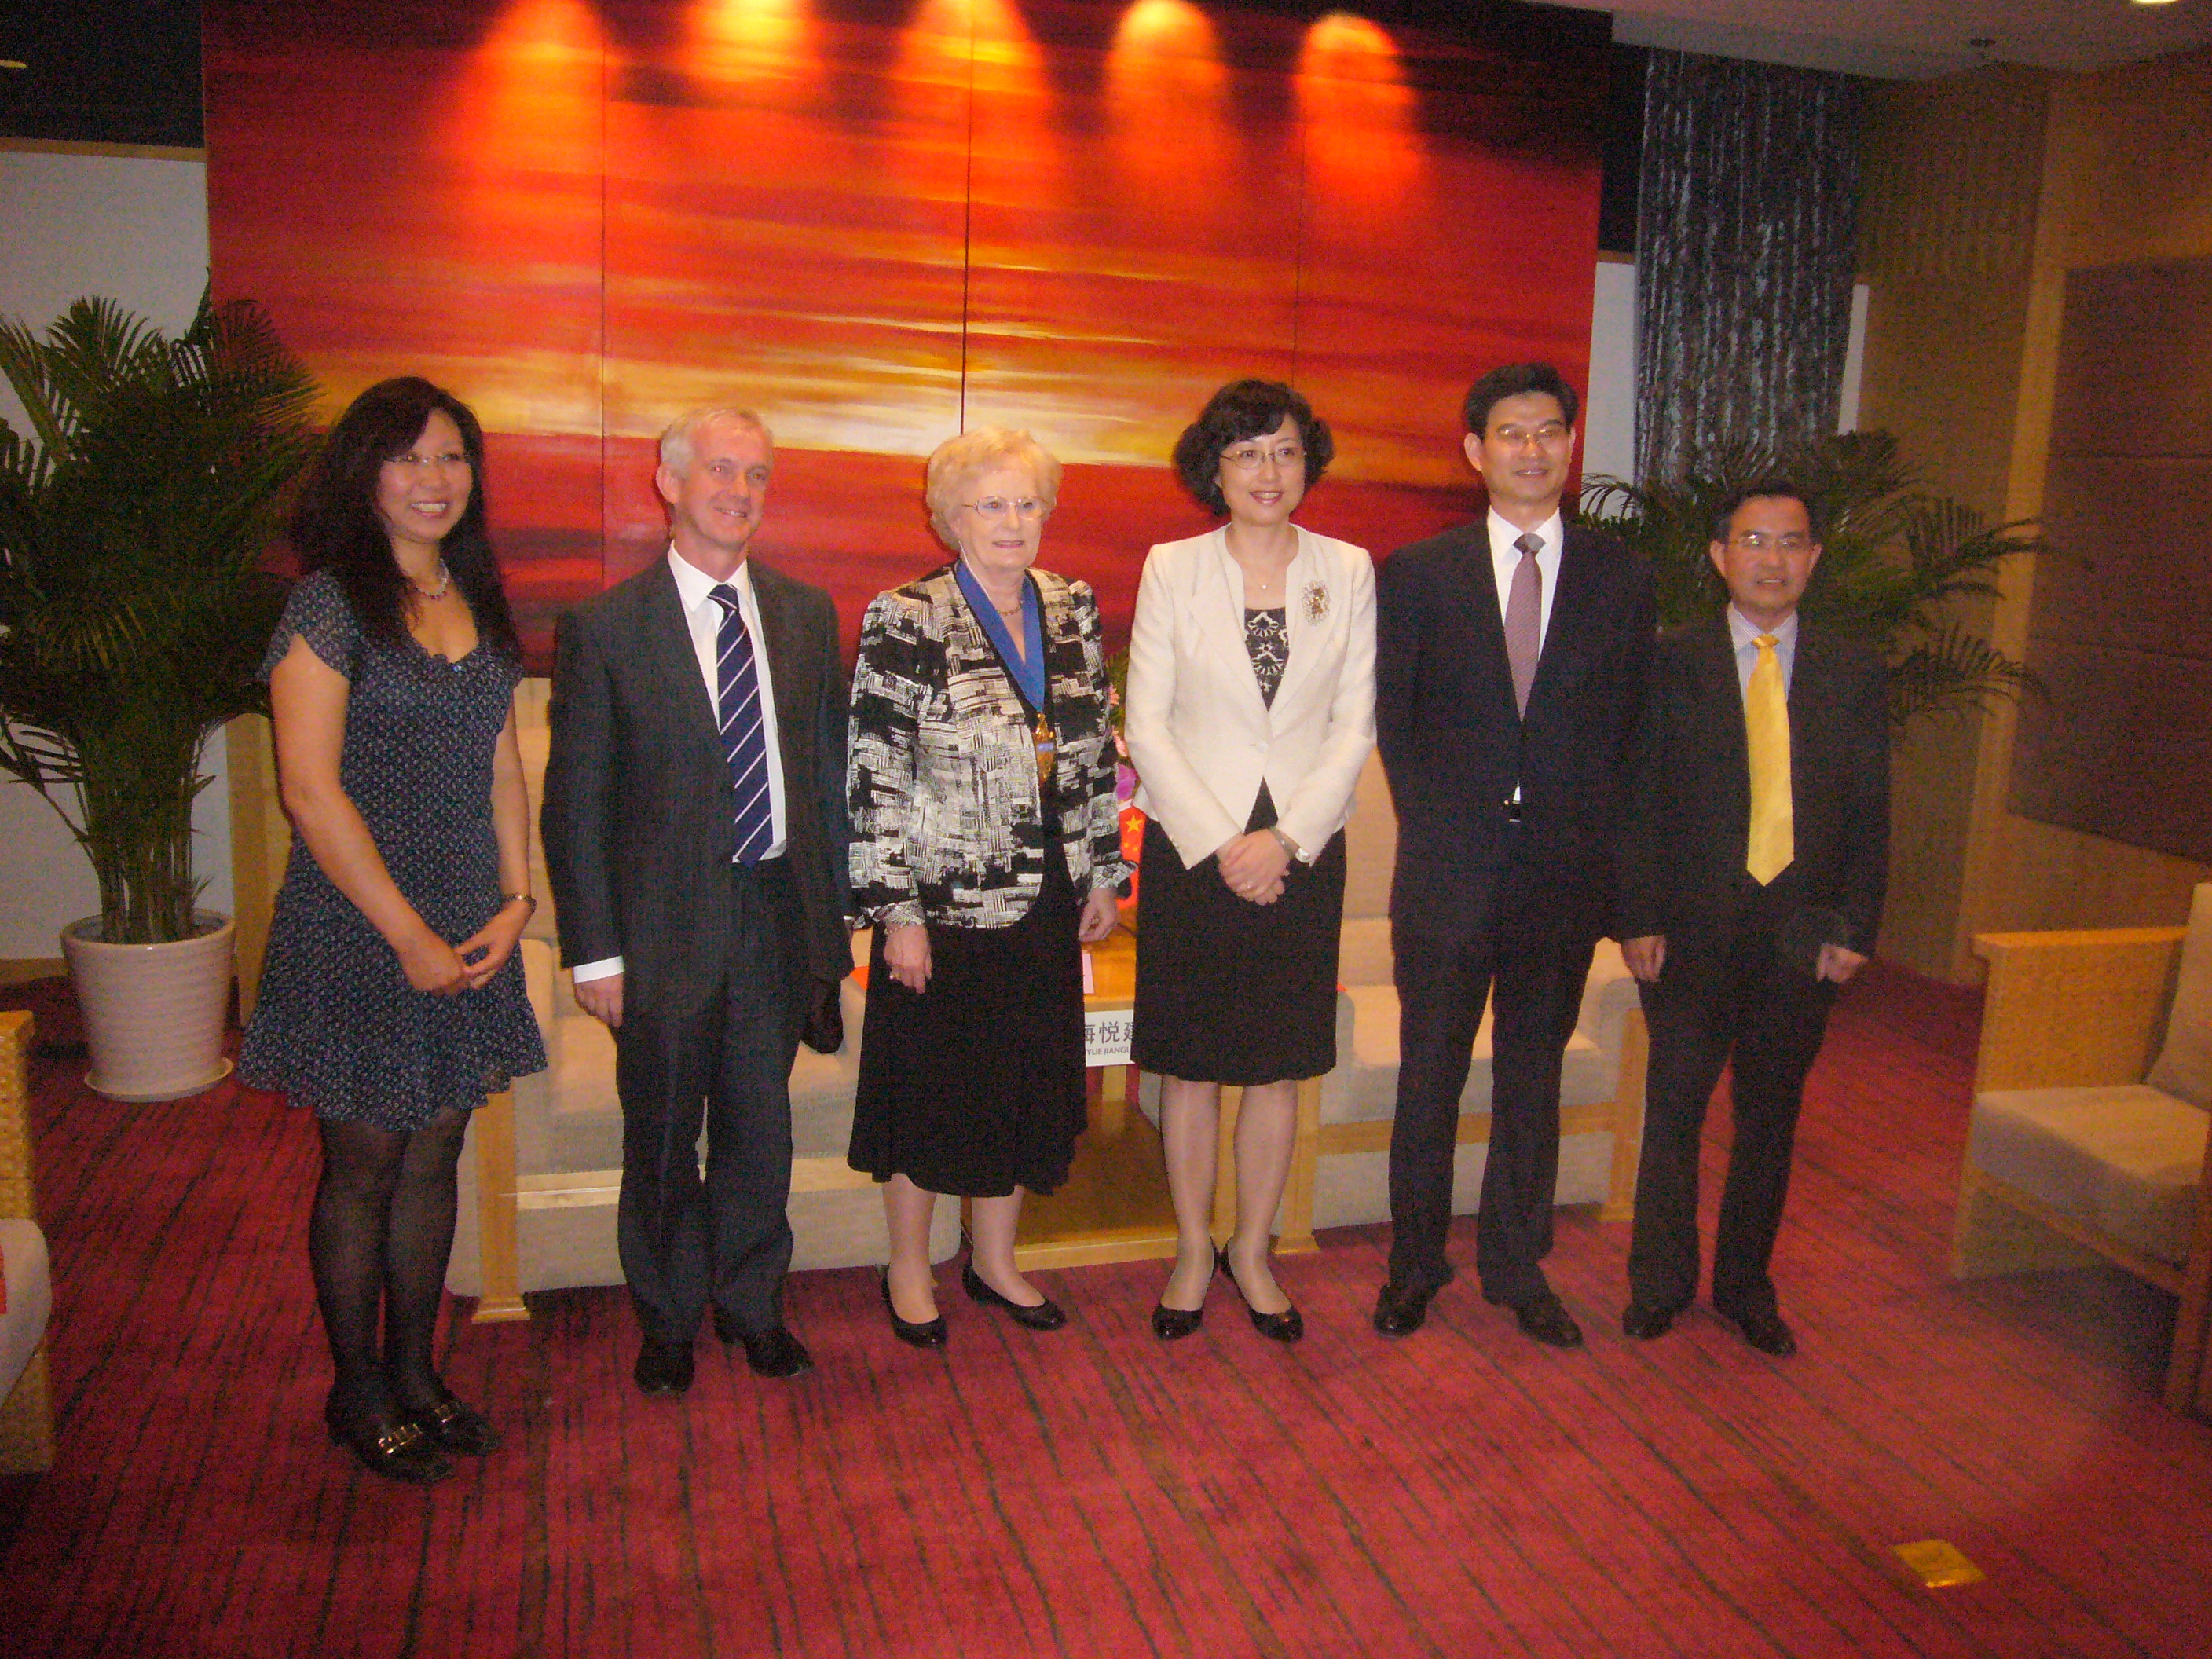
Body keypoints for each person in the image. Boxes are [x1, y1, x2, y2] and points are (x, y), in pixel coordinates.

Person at [241, 377, 548, 1485]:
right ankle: (355, 1389)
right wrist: (407, 934)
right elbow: (312, 794)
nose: (435, 480)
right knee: (364, 1163)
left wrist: (517, 899)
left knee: (438, 1153)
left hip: (471, 920)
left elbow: (500, 760)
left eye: (454, 458)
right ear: (365, 472)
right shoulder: (329, 605)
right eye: (411, 458)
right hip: (359, 923)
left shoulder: (474, 590)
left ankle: (417, 1375)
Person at [540, 408, 849, 1396]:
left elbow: (823, 778)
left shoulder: (804, 614)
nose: (740, 491)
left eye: (757, 474)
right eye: (719, 470)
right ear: (668, 484)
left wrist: (832, 931)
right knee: (665, 1134)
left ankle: (753, 1306)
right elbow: (575, 800)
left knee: (762, 1128)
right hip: (659, 930)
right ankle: (667, 1318)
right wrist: (593, 954)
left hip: (773, 917)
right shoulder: (603, 629)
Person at [1372, 362, 1654, 1348]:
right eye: (1509, 433)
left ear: (1569, 445)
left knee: (1531, 1074)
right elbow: (1396, 730)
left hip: (1562, 876)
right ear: (1474, 451)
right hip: (1447, 873)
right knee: (1429, 1072)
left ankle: (1514, 1263)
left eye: (1547, 432)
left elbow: (1628, 736)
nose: (1529, 450)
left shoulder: (1622, 578)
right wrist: (1449, 826)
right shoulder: (1417, 573)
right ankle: (1414, 1265)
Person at [847, 427, 1128, 1347]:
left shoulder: (1071, 604)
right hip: (945, 907)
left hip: (1048, 894)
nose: (1012, 522)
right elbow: (875, 773)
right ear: (951, 519)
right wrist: (896, 916)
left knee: (1021, 1088)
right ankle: (907, 1268)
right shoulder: (907, 615)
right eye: (990, 505)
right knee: (931, 1091)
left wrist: (1101, 874)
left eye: (1027, 503)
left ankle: (995, 1262)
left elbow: (1091, 754)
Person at [1123, 379, 1375, 1342]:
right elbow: (1144, 720)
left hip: (1302, 850)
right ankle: (1193, 1250)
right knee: (1188, 1068)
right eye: (1245, 454)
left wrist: (1287, 839)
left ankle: (1255, 1251)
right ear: (1213, 470)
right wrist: (1225, 841)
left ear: (1307, 461)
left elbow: (1353, 721)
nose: (1267, 471)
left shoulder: (1345, 568)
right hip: (1198, 849)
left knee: (1275, 1067)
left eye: (1283, 451)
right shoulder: (1170, 567)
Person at [1617, 484, 1889, 1357]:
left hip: (1800, 939)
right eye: (1752, 541)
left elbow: (1871, 811)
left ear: (1812, 558)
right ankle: (1657, 1285)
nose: (1770, 560)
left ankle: (1743, 1289)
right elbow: (1640, 802)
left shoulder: (1851, 670)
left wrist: (1855, 926)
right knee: (1673, 1116)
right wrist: (1636, 915)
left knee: (1769, 1123)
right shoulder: (1669, 661)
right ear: (1718, 554)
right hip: (1688, 933)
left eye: (1788, 543)